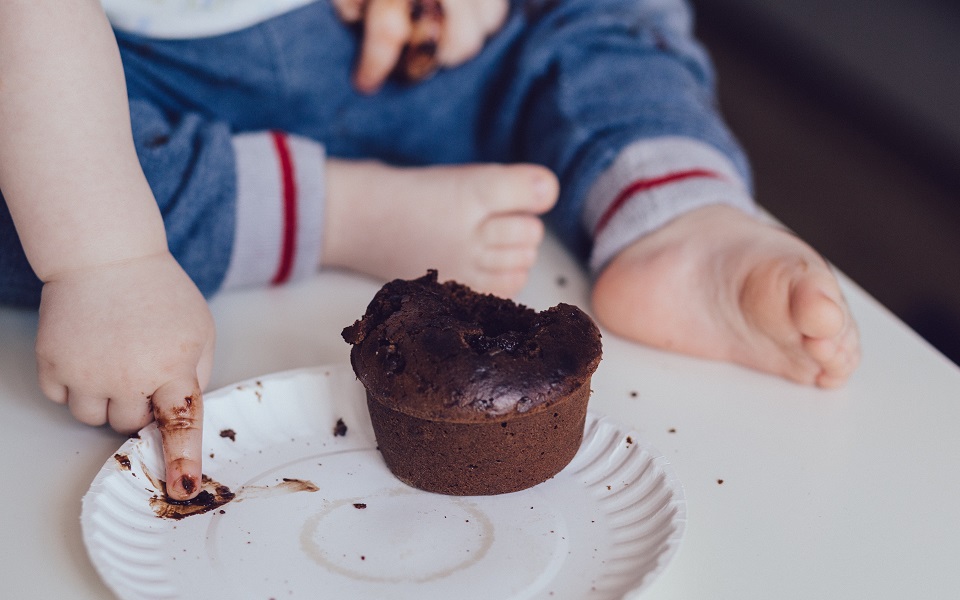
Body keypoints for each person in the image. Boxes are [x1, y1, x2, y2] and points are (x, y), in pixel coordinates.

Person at [0, 0, 860, 501]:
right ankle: (341, 210)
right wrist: (105, 260)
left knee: (603, 17)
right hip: (121, 95)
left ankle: (670, 208)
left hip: (431, 52)